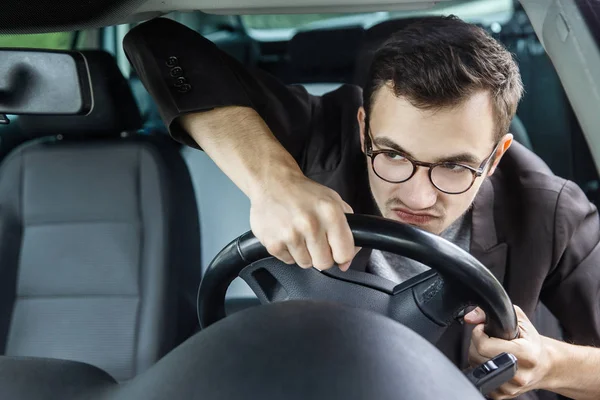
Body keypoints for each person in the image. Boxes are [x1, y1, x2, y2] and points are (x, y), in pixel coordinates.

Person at [123, 15, 600, 400]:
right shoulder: (323, 134)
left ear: (496, 156)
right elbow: (156, 42)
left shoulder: (552, 209)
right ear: (363, 128)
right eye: (392, 155)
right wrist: (275, 181)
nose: (417, 198)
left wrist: (549, 364)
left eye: (455, 167)